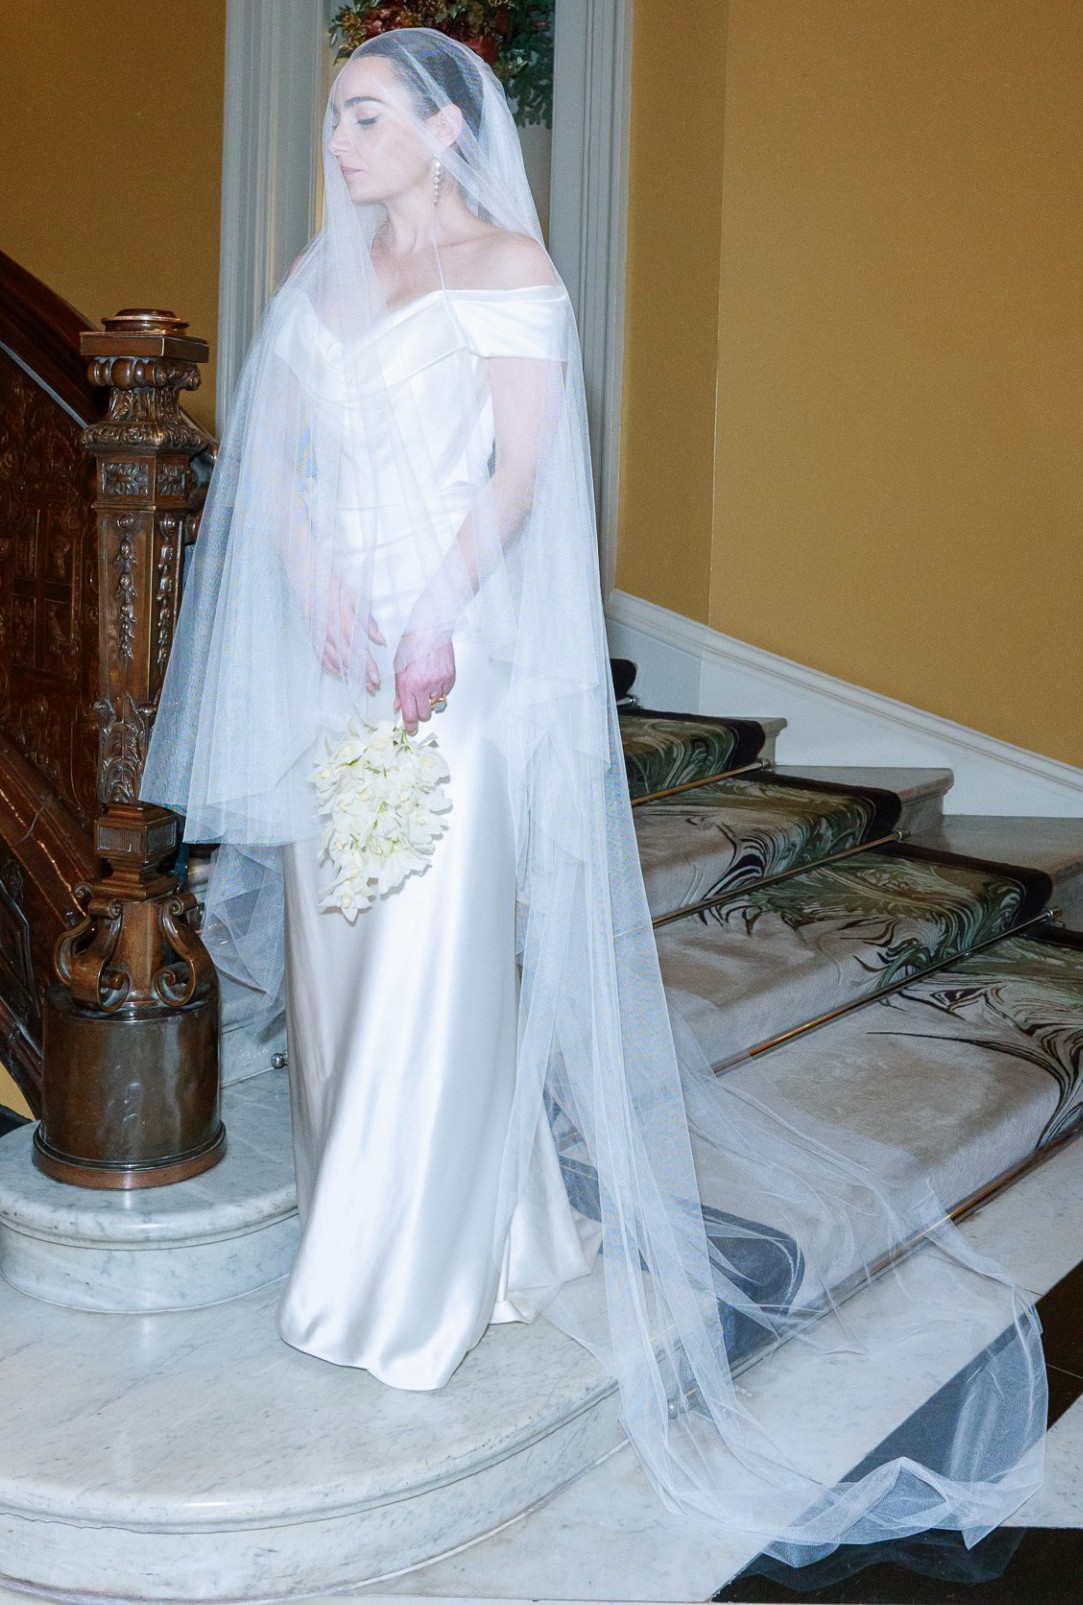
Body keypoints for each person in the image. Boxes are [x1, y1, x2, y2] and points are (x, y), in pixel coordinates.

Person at [141, 26, 1046, 1571]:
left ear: (444, 128)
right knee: (342, 958)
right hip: (336, 659)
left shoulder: (512, 271)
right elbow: (277, 465)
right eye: (336, 117)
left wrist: (429, 616)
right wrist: (322, 596)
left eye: (366, 117)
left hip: (458, 660)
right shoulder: (321, 274)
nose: (340, 142)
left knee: (431, 961)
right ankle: (442, 1220)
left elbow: (518, 474)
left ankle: (405, 1282)